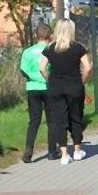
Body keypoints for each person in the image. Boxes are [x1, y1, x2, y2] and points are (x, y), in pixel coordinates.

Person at [39, 19, 91, 164]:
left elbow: (42, 68)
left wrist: (50, 80)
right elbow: (87, 68)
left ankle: (63, 155)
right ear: (71, 30)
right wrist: (82, 80)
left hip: (56, 88)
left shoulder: (50, 48)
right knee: (76, 117)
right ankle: (77, 151)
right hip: (74, 86)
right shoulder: (78, 47)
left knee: (59, 120)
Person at [18, 23, 51, 164]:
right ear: (50, 36)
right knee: (52, 119)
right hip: (49, 87)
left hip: (33, 88)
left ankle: (29, 149)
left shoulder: (28, 52)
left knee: (34, 120)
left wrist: (34, 77)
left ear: (36, 35)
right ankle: (52, 150)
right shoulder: (51, 50)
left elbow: (23, 69)